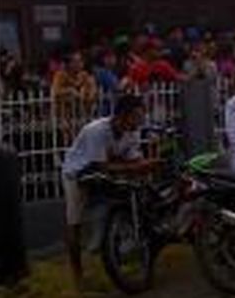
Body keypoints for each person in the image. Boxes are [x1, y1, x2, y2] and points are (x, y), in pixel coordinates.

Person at [61, 94, 158, 290]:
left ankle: (120, 246)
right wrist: (137, 167)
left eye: (141, 116)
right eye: (136, 117)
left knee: (134, 195)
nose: (140, 122)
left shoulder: (132, 132)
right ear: (122, 116)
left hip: (106, 171)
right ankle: (77, 273)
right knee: (74, 222)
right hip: (77, 173)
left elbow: (133, 159)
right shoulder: (96, 131)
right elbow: (101, 166)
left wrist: (148, 162)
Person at [52, 51, 98, 142]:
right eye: (75, 62)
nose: (79, 64)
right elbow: (56, 91)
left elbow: (91, 94)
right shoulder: (60, 76)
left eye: (80, 61)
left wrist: (85, 94)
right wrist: (71, 91)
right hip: (65, 116)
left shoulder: (86, 76)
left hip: (82, 115)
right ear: (68, 64)